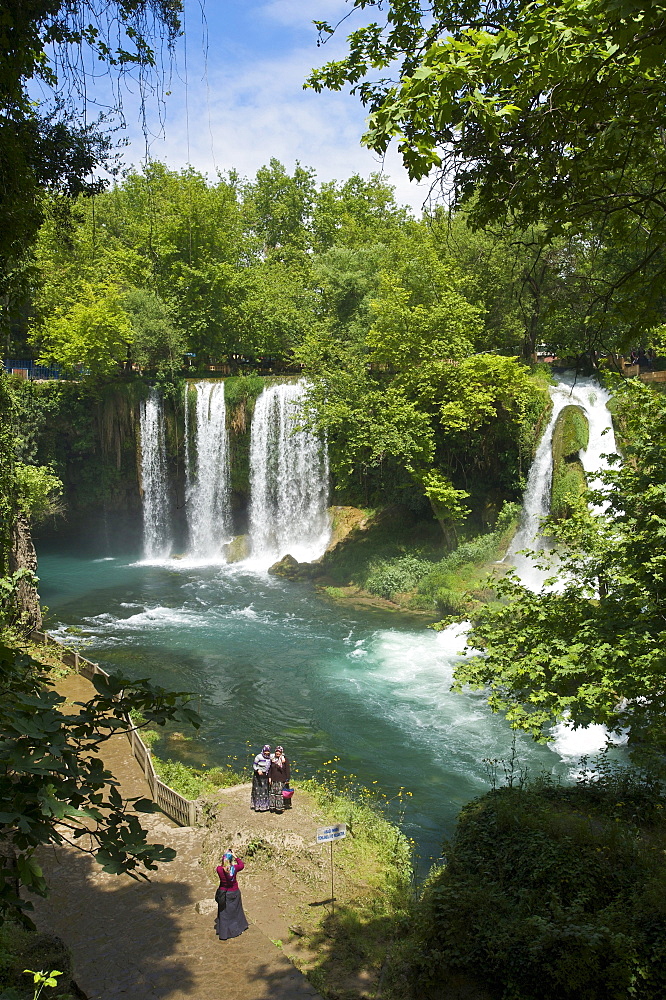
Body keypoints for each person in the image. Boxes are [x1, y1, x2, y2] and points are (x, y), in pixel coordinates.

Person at [215, 850, 249, 941]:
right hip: (234, 892)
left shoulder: (218, 869)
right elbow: (242, 865)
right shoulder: (234, 869)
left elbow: (222, 868)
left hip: (224, 894)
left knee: (224, 914)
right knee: (236, 912)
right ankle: (237, 929)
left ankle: (224, 933)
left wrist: (226, 855)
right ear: (231, 860)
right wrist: (235, 856)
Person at [268, 745, 291, 814]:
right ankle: (272, 807)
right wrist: (269, 777)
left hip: (281, 779)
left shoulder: (285, 760)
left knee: (279, 794)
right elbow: (270, 769)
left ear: (281, 752)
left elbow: (287, 770)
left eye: (279, 752)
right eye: (277, 752)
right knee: (272, 793)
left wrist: (287, 779)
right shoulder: (272, 759)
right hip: (273, 778)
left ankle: (279, 808)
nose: (278, 753)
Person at [251, 745, 271, 811]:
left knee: (265, 790)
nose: (267, 752)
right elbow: (254, 765)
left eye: (268, 751)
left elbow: (279, 755)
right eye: (265, 751)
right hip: (258, 776)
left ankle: (265, 806)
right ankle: (256, 805)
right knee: (258, 790)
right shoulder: (258, 756)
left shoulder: (270, 757)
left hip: (265, 776)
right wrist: (257, 770)